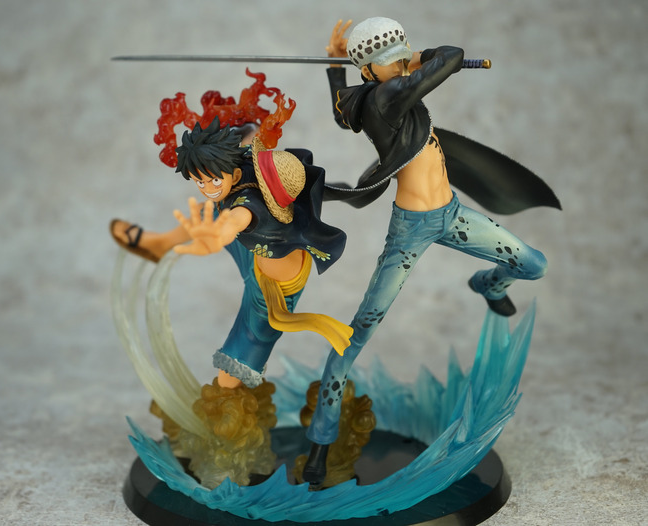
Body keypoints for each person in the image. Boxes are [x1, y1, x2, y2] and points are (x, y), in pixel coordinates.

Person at [303, 17, 549, 486]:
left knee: (532, 263)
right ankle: (319, 443)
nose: (399, 64)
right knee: (356, 335)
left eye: (400, 57)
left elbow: (339, 110)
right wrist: (412, 58)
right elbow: (452, 56)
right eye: (388, 61)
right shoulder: (386, 97)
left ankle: (489, 284)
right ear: (371, 72)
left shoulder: (373, 92)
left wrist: (338, 63)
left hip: (453, 216)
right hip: (410, 232)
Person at [119, 116, 352, 389]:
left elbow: (235, 220)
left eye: (213, 181)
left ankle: (234, 406)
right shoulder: (239, 160)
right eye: (200, 182)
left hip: (271, 290)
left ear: (236, 175)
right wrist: (244, 123)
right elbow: (249, 133)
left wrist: (218, 237)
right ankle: (161, 244)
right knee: (207, 212)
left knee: (232, 373)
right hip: (254, 252)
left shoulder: (248, 205)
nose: (208, 189)